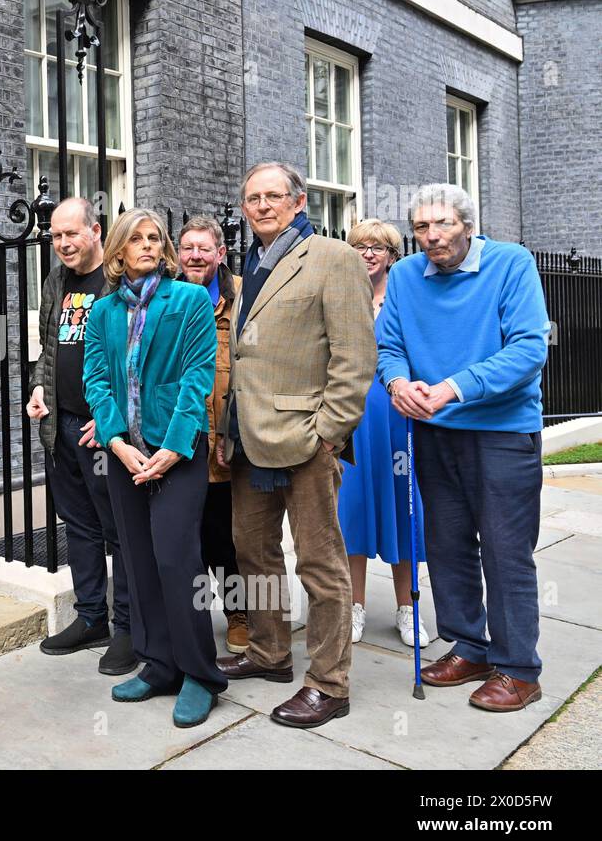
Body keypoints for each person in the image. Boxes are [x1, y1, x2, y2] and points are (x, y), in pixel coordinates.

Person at [377, 184, 550, 712]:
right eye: (422, 228)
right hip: (433, 431)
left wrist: (453, 387)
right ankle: (470, 645)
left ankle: (519, 668)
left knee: (505, 550)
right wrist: (398, 385)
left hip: (502, 433)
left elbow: (528, 349)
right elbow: (390, 346)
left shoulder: (511, 263)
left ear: (468, 225)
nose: (432, 236)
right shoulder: (406, 276)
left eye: (443, 225)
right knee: (448, 545)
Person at [217, 162, 375, 729]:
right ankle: (269, 653)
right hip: (249, 442)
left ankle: (330, 684)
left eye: (274, 196)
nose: (262, 205)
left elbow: (355, 358)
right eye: (252, 197)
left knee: (319, 561)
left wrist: (329, 433)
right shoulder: (249, 269)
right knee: (252, 553)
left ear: (299, 201)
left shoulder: (334, 259)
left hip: (306, 440)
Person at [83, 207, 226, 728]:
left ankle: (200, 673)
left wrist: (174, 447)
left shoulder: (187, 300)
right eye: (136, 239)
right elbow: (96, 381)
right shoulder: (101, 312)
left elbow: (197, 377)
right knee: (137, 560)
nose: (147, 245)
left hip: (177, 454)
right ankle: (160, 663)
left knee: (175, 559)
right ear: (118, 250)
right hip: (124, 455)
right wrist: (117, 443)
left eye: (154, 238)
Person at [27, 197, 135, 675]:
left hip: (104, 432)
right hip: (62, 425)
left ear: (96, 230)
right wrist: (37, 386)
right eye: (55, 236)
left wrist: (112, 419)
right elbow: (48, 344)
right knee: (81, 527)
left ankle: (130, 627)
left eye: (71, 234)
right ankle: (92, 618)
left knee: (121, 531)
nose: (63, 244)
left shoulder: (118, 280)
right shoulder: (56, 281)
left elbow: (137, 355)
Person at [338, 220, 430, 648]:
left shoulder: (407, 297)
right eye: (360, 246)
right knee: (351, 512)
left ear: (392, 254)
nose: (369, 253)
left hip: (397, 415)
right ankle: (353, 607)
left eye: (378, 247)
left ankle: (407, 608)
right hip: (352, 417)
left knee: (403, 508)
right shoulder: (341, 295)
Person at [177, 215, 249, 655]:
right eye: (188, 248)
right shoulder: (168, 296)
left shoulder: (239, 297)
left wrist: (233, 433)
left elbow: (250, 369)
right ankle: (195, 616)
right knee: (190, 535)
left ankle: (240, 614)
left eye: (205, 248)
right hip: (181, 437)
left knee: (230, 537)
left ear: (220, 254)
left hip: (225, 438)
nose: (196, 255)